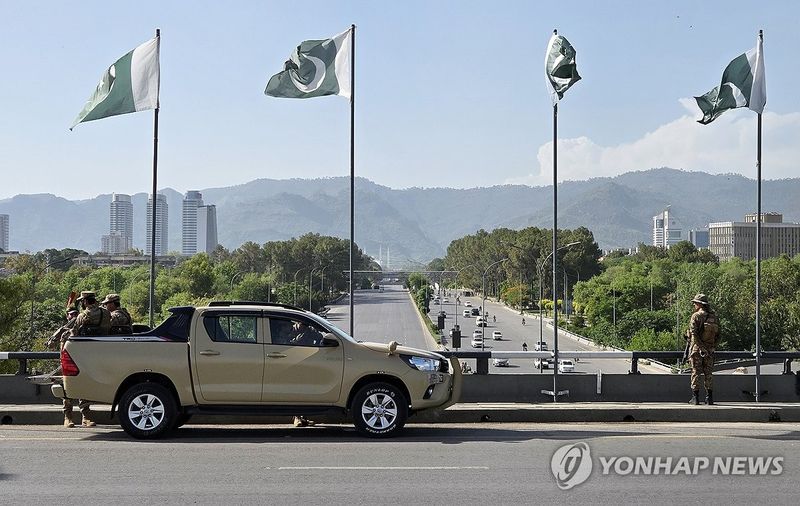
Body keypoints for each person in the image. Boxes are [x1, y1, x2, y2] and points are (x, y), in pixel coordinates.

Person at [65, 291, 112, 427]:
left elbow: (75, 333)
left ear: (85, 302)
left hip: (83, 353)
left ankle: (69, 417)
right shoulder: (106, 313)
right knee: (84, 384)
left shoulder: (83, 315)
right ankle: (86, 416)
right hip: (101, 353)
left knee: (69, 383)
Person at [685, 293, 720, 405]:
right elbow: (719, 335)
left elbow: (694, 334)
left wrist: (700, 347)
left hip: (697, 350)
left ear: (700, 304)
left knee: (695, 372)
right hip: (710, 351)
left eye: (695, 303)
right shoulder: (714, 317)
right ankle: (709, 398)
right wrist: (713, 347)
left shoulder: (696, 316)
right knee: (708, 374)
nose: (694, 304)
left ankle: (695, 398)